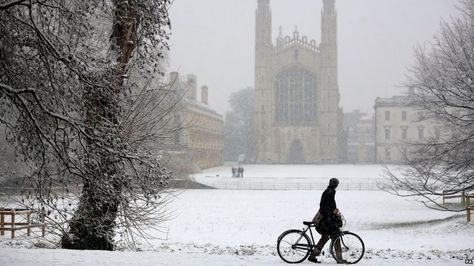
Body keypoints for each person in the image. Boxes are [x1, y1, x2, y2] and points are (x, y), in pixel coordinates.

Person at [308, 178, 343, 263]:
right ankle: (339, 259)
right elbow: (325, 207)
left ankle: (313, 256)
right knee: (335, 237)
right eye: (335, 184)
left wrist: (334, 211)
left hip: (325, 220)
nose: (335, 185)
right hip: (326, 221)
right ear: (335, 185)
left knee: (325, 238)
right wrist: (330, 217)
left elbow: (327, 207)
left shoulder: (329, 191)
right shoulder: (329, 193)